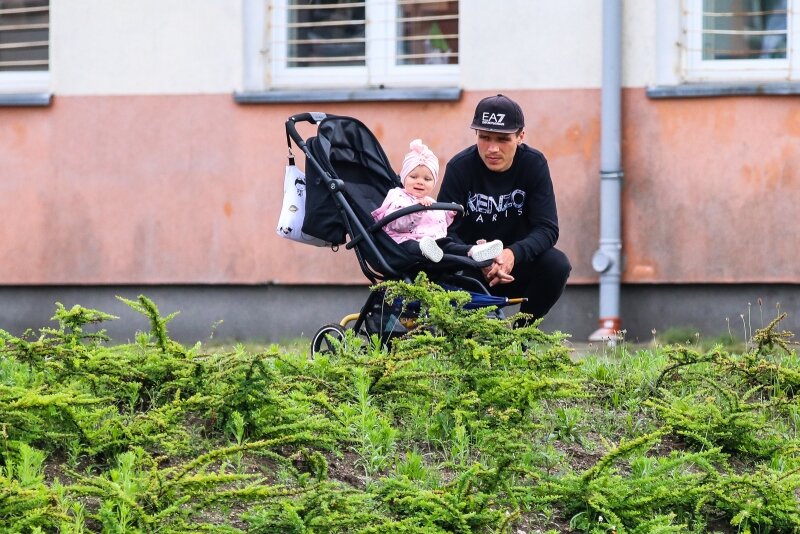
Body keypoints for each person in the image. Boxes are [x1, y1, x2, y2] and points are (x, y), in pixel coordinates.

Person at [437, 94, 572, 320]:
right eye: (484, 137)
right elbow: (443, 231)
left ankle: (523, 333)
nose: (493, 148)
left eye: (503, 139)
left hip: (518, 265)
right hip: (472, 268)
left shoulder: (533, 164)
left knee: (557, 265)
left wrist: (512, 254)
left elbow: (547, 228)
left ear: (520, 136)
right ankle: (470, 335)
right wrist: (476, 257)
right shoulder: (459, 168)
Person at [372, 139, 503, 264]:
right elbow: (395, 224)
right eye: (413, 177)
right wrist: (417, 210)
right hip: (403, 242)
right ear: (404, 177)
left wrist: (449, 213)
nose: (420, 182)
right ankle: (425, 250)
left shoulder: (429, 201)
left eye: (427, 179)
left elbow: (437, 221)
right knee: (412, 245)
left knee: (448, 244)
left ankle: (474, 250)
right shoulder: (398, 196)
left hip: (433, 242)